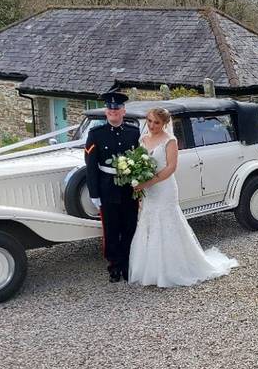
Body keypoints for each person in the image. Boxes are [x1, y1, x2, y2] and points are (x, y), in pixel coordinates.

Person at [127, 107, 238, 288]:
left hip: (164, 188)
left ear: (164, 124)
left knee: (167, 222)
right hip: (149, 191)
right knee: (148, 222)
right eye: (149, 121)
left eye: (157, 122)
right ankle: (151, 269)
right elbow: (141, 164)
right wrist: (140, 184)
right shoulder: (143, 139)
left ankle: (172, 269)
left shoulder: (170, 140)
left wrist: (148, 182)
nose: (152, 125)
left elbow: (171, 168)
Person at [85, 91, 141, 282]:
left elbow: (141, 161)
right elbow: (90, 165)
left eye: (116, 108)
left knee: (129, 227)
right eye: (110, 108)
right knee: (111, 229)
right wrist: (94, 193)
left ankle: (127, 263)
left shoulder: (133, 132)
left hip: (128, 189)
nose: (113, 111)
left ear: (123, 111)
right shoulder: (95, 134)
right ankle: (114, 266)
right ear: (106, 111)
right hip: (107, 188)